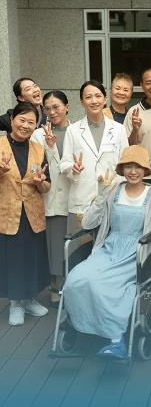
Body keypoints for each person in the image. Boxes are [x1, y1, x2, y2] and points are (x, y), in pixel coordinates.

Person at [63, 145, 151, 360]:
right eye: (128, 166)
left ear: (145, 170)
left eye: (138, 167)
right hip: (109, 249)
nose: (133, 171)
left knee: (106, 287)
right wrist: (101, 195)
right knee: (76, 279)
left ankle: (116, 340)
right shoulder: (112, 189)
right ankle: (82, 324)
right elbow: (87, 224)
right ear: (122, 169)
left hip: (136, 253)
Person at [0, 102, 51, 326]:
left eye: (31, 122)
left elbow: (47, 185)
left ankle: (30, 299)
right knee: (13, 259)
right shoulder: (0, 145)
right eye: (22, 120)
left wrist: (40, 182)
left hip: (32, 214)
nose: (26, 125)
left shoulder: (38, 149)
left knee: (32, 257)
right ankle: (16, 304)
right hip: (8, 212)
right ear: (12, 119)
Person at [60, 80, 128, 235]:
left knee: (110, 244)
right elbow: (64, 163)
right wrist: (73, 168)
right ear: (82, 102)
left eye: (98, 96)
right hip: (82, 198)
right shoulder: (73, 130)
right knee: (81, 246)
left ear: (105, 99)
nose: (94, 101)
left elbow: (124, 164)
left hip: (112, 197)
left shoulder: (119, 130)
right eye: (88, 97)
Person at [31, 91, 71, 306]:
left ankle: (72, 288)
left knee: (74, 245)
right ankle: (56, 288)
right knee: (55, 246)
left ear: (67, 107)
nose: (52, 112)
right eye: (48, 108)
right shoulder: (38, 135)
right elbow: (34, 165)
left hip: (74, 195)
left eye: (56, 107)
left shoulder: (77, 130)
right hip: (51, 196)